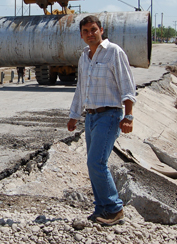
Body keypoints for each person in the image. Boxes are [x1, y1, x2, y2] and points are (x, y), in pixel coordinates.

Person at [67, 15, 136, 227]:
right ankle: (101, 208)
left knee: (96, 162)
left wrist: (129, 115)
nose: (90, 34)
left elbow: (127, 84)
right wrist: (74, 115)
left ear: (101, 30)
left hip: (110, 115)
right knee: (93, 164)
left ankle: (115, 209)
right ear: (81, 35)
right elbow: (81, 89)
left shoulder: (114, 52)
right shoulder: (84, 57)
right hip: (91, 116)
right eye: (86, 31)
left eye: (93, 29)